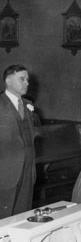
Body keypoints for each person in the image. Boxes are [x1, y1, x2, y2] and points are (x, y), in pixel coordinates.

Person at [0, 64, 36, 218]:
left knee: (23, 216)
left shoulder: (28, 105)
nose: (27, 83)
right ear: (8, 81)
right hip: (6, 173)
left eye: (27, 79)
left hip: (27, 169)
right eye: (22, 79)